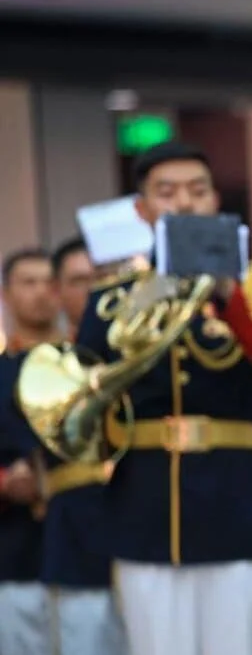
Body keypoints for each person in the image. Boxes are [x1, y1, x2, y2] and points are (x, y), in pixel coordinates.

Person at [74, 141, 252, 655]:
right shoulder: (115, 294)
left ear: (215, 201)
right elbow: (83, 388)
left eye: (197, 191)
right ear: (142, 210)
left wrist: (231, 297)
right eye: (167, 193)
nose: (183, 203)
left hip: (235, 503)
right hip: (146, 506)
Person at [36, 236, 129, 655]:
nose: (95, 292)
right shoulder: (41, 364)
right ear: (57, 291)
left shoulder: (138, 354)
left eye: (102, 280)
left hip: (144, 526)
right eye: (80, 281)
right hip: (76, 536)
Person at [0, 248, 56, 655]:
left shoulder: (85, 365)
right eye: (28, 282)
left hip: (89, 550)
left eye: (49, 283)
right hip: (14, 552)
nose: (40, 293)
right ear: (7, 294)